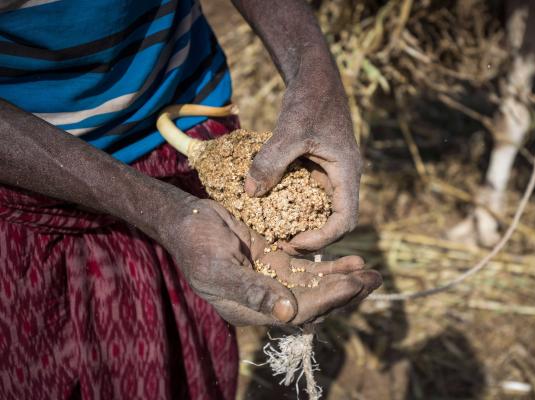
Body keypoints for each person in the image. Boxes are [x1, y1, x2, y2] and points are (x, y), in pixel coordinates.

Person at [0, 0, 381, 398]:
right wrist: (161, 210)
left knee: (193, 349)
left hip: (187, 112)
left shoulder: (214, 171)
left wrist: (315, 76)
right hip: (34, 180)